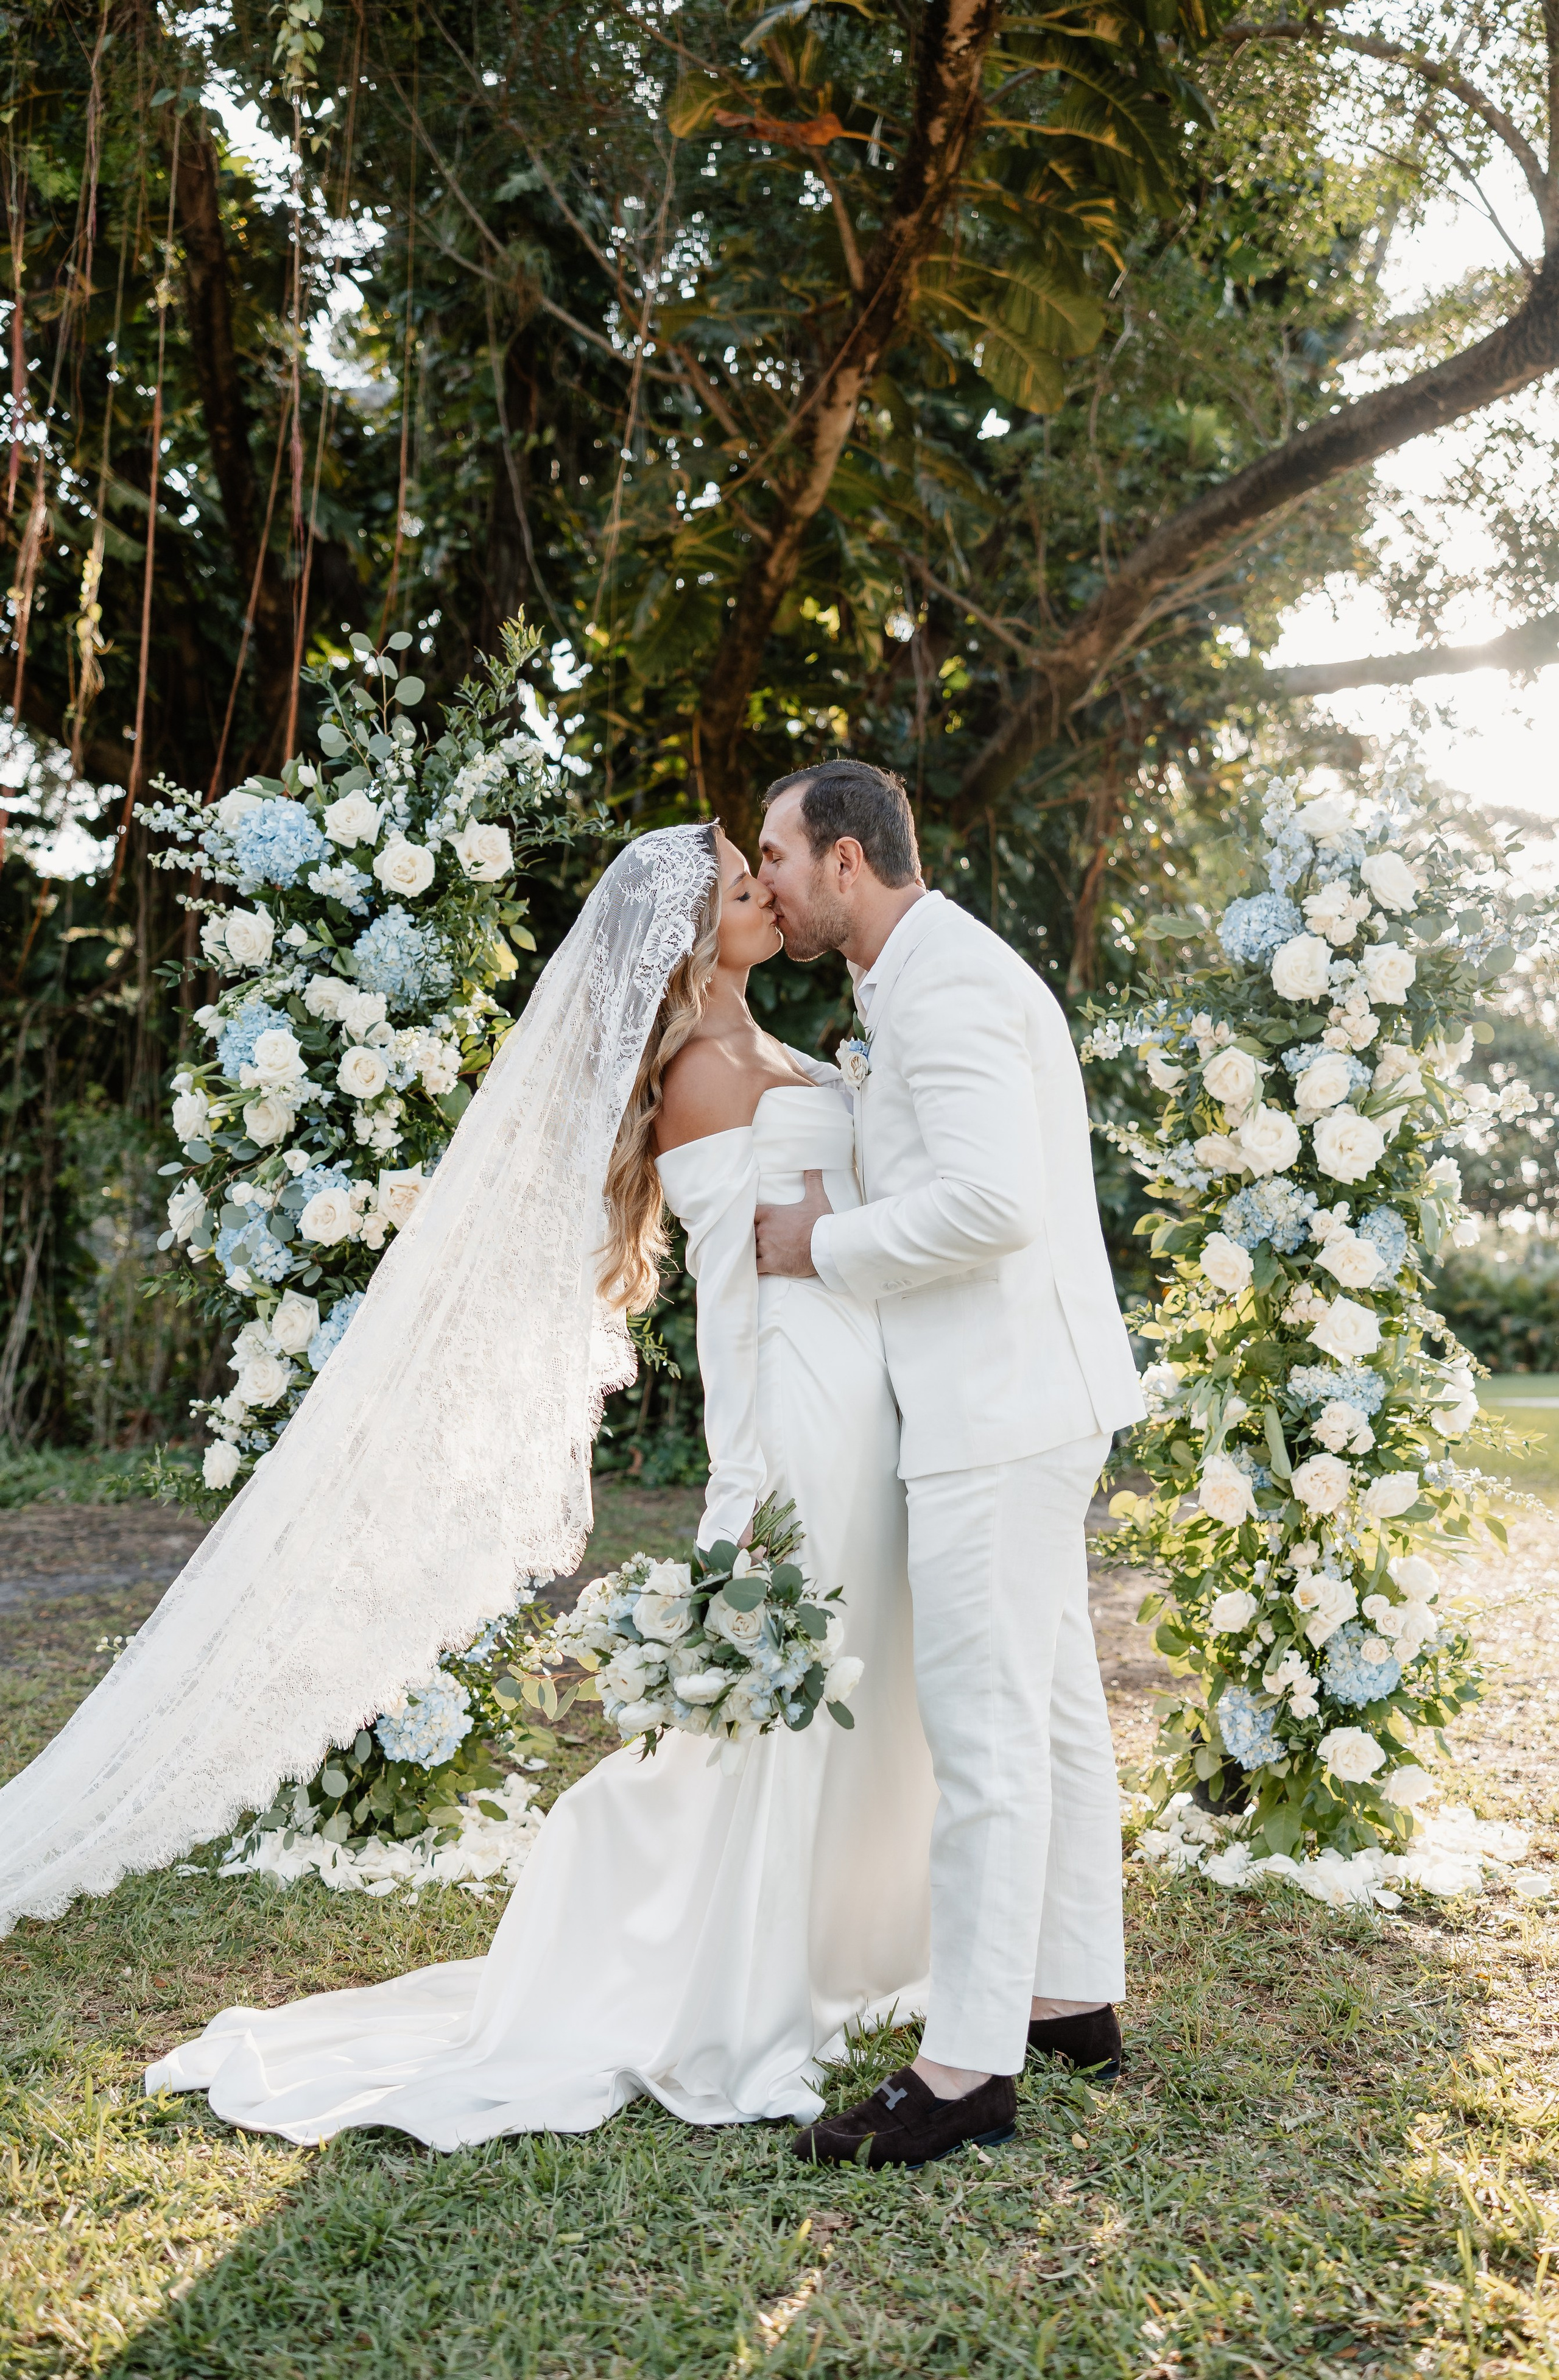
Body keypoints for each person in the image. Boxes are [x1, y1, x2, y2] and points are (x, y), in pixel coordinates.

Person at [134, 822, 943, 2144]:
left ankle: (847, 1934)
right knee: (792, 1681)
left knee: (870, 1658)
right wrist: (747, 1478)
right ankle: (721, 1968)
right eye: (742, 881)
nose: (763, 886)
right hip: (802, 1404)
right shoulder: (695, 1069)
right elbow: (737, 1297)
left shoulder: (771, 1045)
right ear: (687, 937)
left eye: (761, 868)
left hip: (866, 1390)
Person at [753, 760, 1145, 2169]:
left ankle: (965, 2068)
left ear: (847, 858)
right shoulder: (917, 974)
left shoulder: (953, 985)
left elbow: (989, 1202)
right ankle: (1066, 1995)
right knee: (1045, 1704)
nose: (771, 882)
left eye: (779, 854)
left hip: (998, 1400)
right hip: (1023, 1389)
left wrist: (821, 1248)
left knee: (983, 1731)